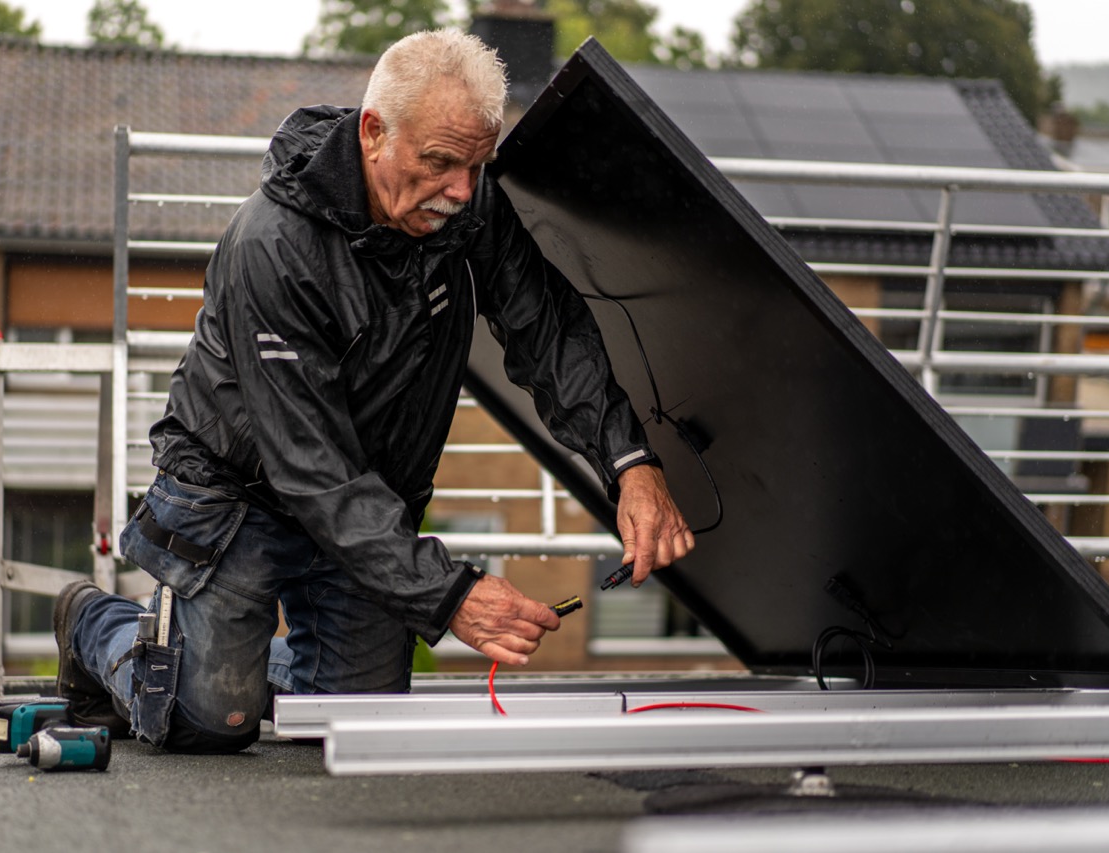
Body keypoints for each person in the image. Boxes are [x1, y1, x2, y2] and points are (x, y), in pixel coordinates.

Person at [54, 29, 694, 754]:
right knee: (207, 720)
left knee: (352, 724)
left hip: (366, 500)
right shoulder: (273, 244)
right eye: (440, 163)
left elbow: (543, 327)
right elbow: (310, 467)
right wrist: (449, 594)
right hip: (241, 495)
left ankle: (212, 657)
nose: (460, 191)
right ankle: (96, 624)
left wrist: (630, 459)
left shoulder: (466, 201)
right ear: (373, 133)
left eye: (476, 166)